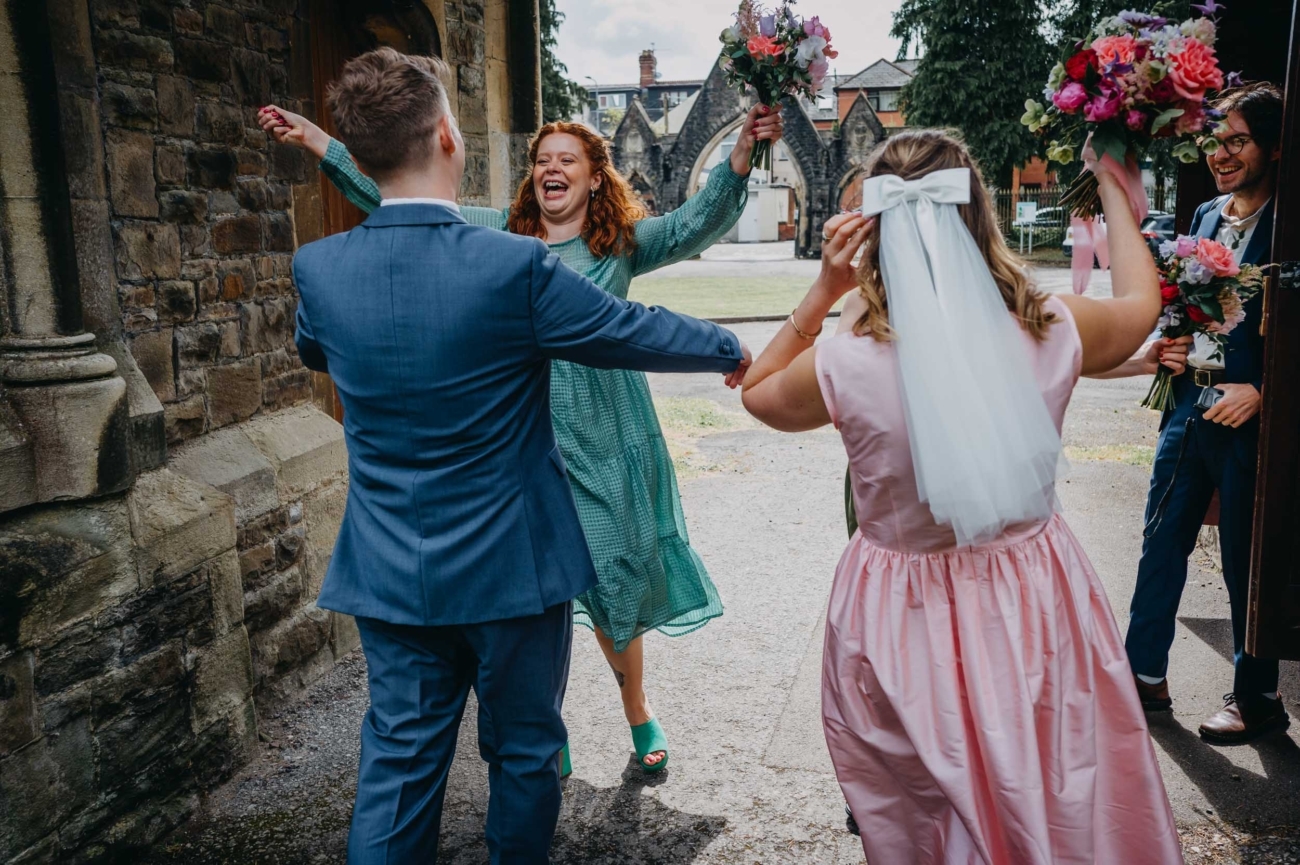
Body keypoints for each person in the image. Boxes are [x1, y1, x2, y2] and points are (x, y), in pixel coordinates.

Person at [292, 48, 750, 863]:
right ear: (445, 137)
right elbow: (627, 332)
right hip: (514, 566)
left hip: (388, 567)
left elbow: (318, 352)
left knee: (396, 766)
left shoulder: (318, 269)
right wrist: (727, 348)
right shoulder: (512, 264)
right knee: (526, 754)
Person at [741, 130, 1182, 863]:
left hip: (896, 616)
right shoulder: (1052, 324)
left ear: (873, 230)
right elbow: (1141, 304)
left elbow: (756, 393)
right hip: (1032, 601)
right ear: (980, 214)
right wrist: (1110, 177)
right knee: (1052, 778)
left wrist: (825, 290)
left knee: (924, 813)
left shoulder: (845, 356)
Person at [1100, 82, 1287, 744]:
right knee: (1161, 540)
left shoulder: (1290, 226)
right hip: (1186, 407)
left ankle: (1258, 694)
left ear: (1273, 145)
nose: (1220, 154)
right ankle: (1142, 672)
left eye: (1236, 140)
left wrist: (1266, 391)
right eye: (1214, 140)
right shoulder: (1206, 215)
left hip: (1251, 420)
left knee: (1244, 558)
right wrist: (1173, 340)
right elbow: (1189, 301)